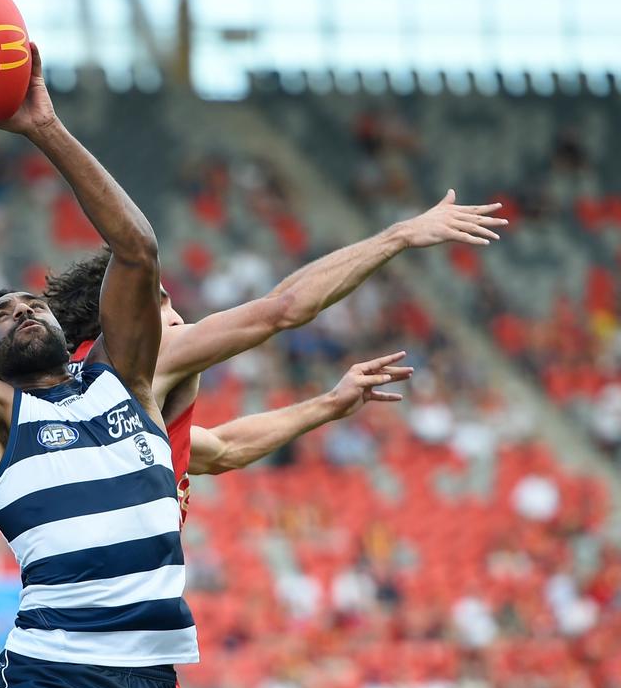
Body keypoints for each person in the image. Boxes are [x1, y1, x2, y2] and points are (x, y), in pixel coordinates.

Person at [0, 33, 192, 688]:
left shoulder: (124, 379)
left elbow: (137, 251)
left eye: (32, 304)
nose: (23, 312)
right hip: (53, 676)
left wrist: (45, 128)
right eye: (0, 316)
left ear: (66, 329)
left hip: (151, 678)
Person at [44, 191, 505, 516]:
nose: (177, 315)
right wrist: (398, 236)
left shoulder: (94, 392)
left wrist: (327, 405)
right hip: (102, 630)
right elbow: (285, 311)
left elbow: (224, 449)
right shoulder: (147, 355)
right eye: (160, 303)